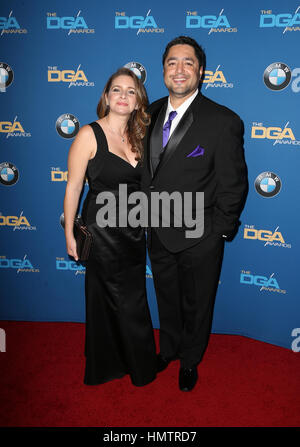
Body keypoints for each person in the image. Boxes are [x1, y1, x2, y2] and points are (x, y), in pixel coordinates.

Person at [142, 36, 248, 391]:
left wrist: (217, 231)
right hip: (156, 230)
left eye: (188, 62)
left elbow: (233, 184)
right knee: (167, 298)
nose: (179, 69)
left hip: (200, 235)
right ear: (163, 70)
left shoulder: (222, 120)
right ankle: (169, 349)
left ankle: (189, 360)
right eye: (172, 62)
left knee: (198, 303)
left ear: (201, 71)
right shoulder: (148, 113)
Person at [63, 67, 157, 386]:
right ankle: (131, 363)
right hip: (101, 230)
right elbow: (74, 187)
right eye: (116, 90)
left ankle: (126, 360)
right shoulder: (89, 134)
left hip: (132, 229)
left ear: (138, 101)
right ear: (106, 97)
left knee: (131, 295)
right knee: (115, 296)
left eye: (130, 91)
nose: (123, 96)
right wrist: (69, 233)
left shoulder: (140, 136)